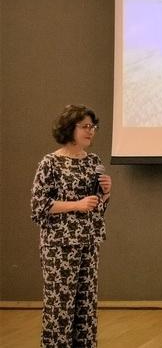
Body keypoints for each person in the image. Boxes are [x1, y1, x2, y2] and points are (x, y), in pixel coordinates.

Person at [31, 104, 112, 347]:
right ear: (69, 128)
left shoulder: (93, 162)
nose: (91, 131)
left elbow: (96, 206)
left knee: (85, 306)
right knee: (60, 307)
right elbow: (39, 205)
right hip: (60, 245)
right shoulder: (50, 163)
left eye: (93, 126)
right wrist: (76, 204)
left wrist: (106, 193)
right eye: (85, 126)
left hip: (89, 241)